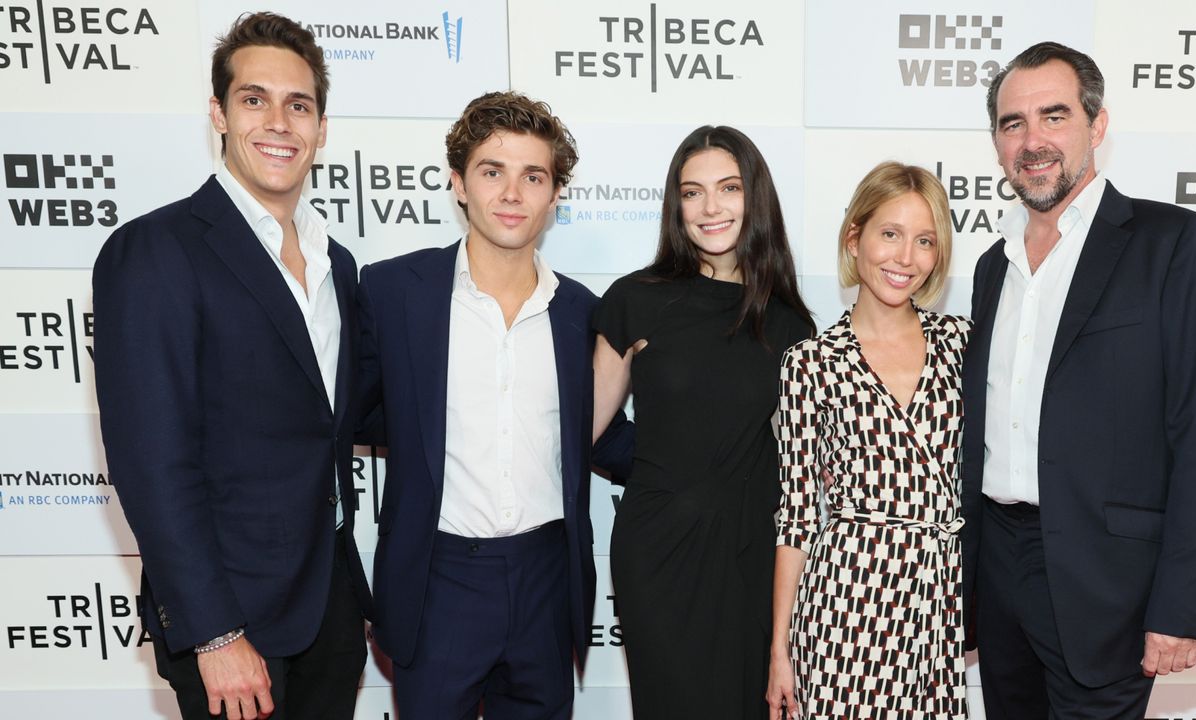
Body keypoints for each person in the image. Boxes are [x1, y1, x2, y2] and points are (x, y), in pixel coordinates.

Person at [93, 12, 373, 720]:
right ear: (219, 113)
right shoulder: (157, 251)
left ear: (322, 127)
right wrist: (214, 632)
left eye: (299, 104)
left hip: (330, 614)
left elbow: (338, 421)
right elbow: (152, 462)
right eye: (255, 99)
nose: (279, 122)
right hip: (232, 620)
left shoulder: (336, 262)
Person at [961, 41, 1196, 719]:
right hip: (998, 572)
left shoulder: (1173, 243)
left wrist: (1180, 604)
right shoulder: (990, 267)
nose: (1032, 142)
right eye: (1012, 124)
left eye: (1053, 117)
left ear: (1097, 125)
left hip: (1108, 586)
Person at [355, 91, 632, 720]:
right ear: (458, 183)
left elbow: (599, 435)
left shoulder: (584, 313)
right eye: (491, 172)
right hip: (438, 579)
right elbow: (365, 414)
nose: (512, 194)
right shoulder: (394, 291)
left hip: (546, 578)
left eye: (533, 176)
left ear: (556, 192)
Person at [593, 125, 815, 720]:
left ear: (756, 198)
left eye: (729, 188)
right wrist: (660, 469)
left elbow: (799, 464)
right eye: (693, 192)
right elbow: (586, 431)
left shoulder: (791, 324)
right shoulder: (634, 300)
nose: (711, 207)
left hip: (753, 555)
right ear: (676, 205)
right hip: (659, 552)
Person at [767, 162, 969, 720]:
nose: (906, 257)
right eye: (890, 234)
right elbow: (797, 514)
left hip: (938, 599)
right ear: (854, 238)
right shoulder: (812, 363)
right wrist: (779, 649)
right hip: (846, 601)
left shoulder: (962, 344)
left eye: (924, 240)